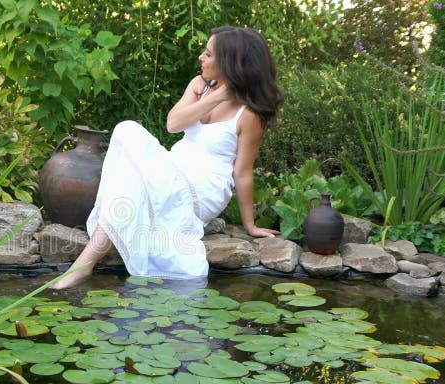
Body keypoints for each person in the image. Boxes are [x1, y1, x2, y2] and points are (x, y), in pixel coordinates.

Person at [51, 26, 283, 290]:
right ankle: (83, 267)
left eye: (208, 54)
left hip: (202, 190)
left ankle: (82, 268)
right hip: (173, 168)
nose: (201, 58)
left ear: (230, 64)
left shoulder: (249, 115)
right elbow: (173, 124)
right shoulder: (199, 86)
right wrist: (217, 95)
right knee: (127, 130)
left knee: (133, 158)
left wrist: (250, 225)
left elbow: (242, 172)